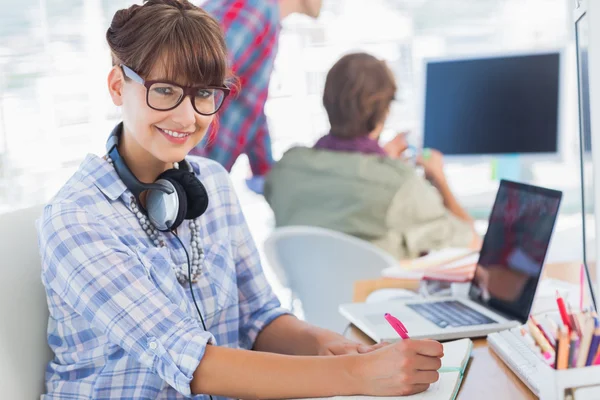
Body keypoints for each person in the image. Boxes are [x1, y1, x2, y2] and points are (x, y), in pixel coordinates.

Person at [37, 2, 443, 399]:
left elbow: (259, 317)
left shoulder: (211, 183)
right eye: (164, 91)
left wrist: (330, 346)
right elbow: (194, 364)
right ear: (116, 86)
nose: (186, 117)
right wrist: (355, 375)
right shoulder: (77, 219)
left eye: (204, 94)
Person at [265, 52, 481, 260]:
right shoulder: (399, 184)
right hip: (379, 296)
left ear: (326, 101)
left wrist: (380, 163)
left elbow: (339, 186)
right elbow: (472, 242)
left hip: (311, 296)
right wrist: (439, 178)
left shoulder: (286, 169)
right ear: (384, 112)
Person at [191, 0, 323, 188]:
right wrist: (191, 180)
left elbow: (250, 107)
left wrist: (265, 175)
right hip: (191, 176)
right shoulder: (257, 8)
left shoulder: (264, 14)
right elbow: (197, 82)